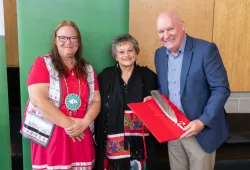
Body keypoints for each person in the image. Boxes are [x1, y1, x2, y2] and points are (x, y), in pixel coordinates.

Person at [154, 11, 230, 170]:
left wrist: (202, 122)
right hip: (173, 131)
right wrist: (155, 101)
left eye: (170, 29)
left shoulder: (206, 50)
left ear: (181, 26)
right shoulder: (160, 54)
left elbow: (221, 89)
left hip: (200, 132)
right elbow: (164, 90)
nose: (166, 36)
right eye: (161, 31)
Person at [20, 20, 101, 170]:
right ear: (55, 41)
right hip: (51, 136)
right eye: (62, 37)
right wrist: (70, 125)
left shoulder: (88, 69)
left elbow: (96, 100)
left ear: (79, 42)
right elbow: (38, 100)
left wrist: (84, 123)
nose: (68, 42)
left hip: (81, 134)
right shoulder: (42, 63)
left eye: (73, 38)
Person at [95, 34, 158, 170]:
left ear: (136, 52)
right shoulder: (105, 76)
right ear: (115, 56)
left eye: (130, 50)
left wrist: (153, 102)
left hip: (141, 143)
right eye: (121, 52)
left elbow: (160, 103)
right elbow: (97, 105)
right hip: (113, 142)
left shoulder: (148, 76)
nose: (126, 55)